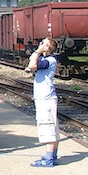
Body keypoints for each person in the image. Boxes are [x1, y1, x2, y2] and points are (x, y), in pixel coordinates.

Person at [26, 37, 60, 167]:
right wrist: (38, 53)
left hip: (45, 98)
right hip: (45, 97)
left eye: (43, 44)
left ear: (48, 48)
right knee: (53, 126)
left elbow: (32, 66)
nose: (40, 45)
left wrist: (37, 52)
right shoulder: (46, 60)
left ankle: (49, 158)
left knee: (48, 127)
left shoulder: (49, 61)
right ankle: (52, 155)